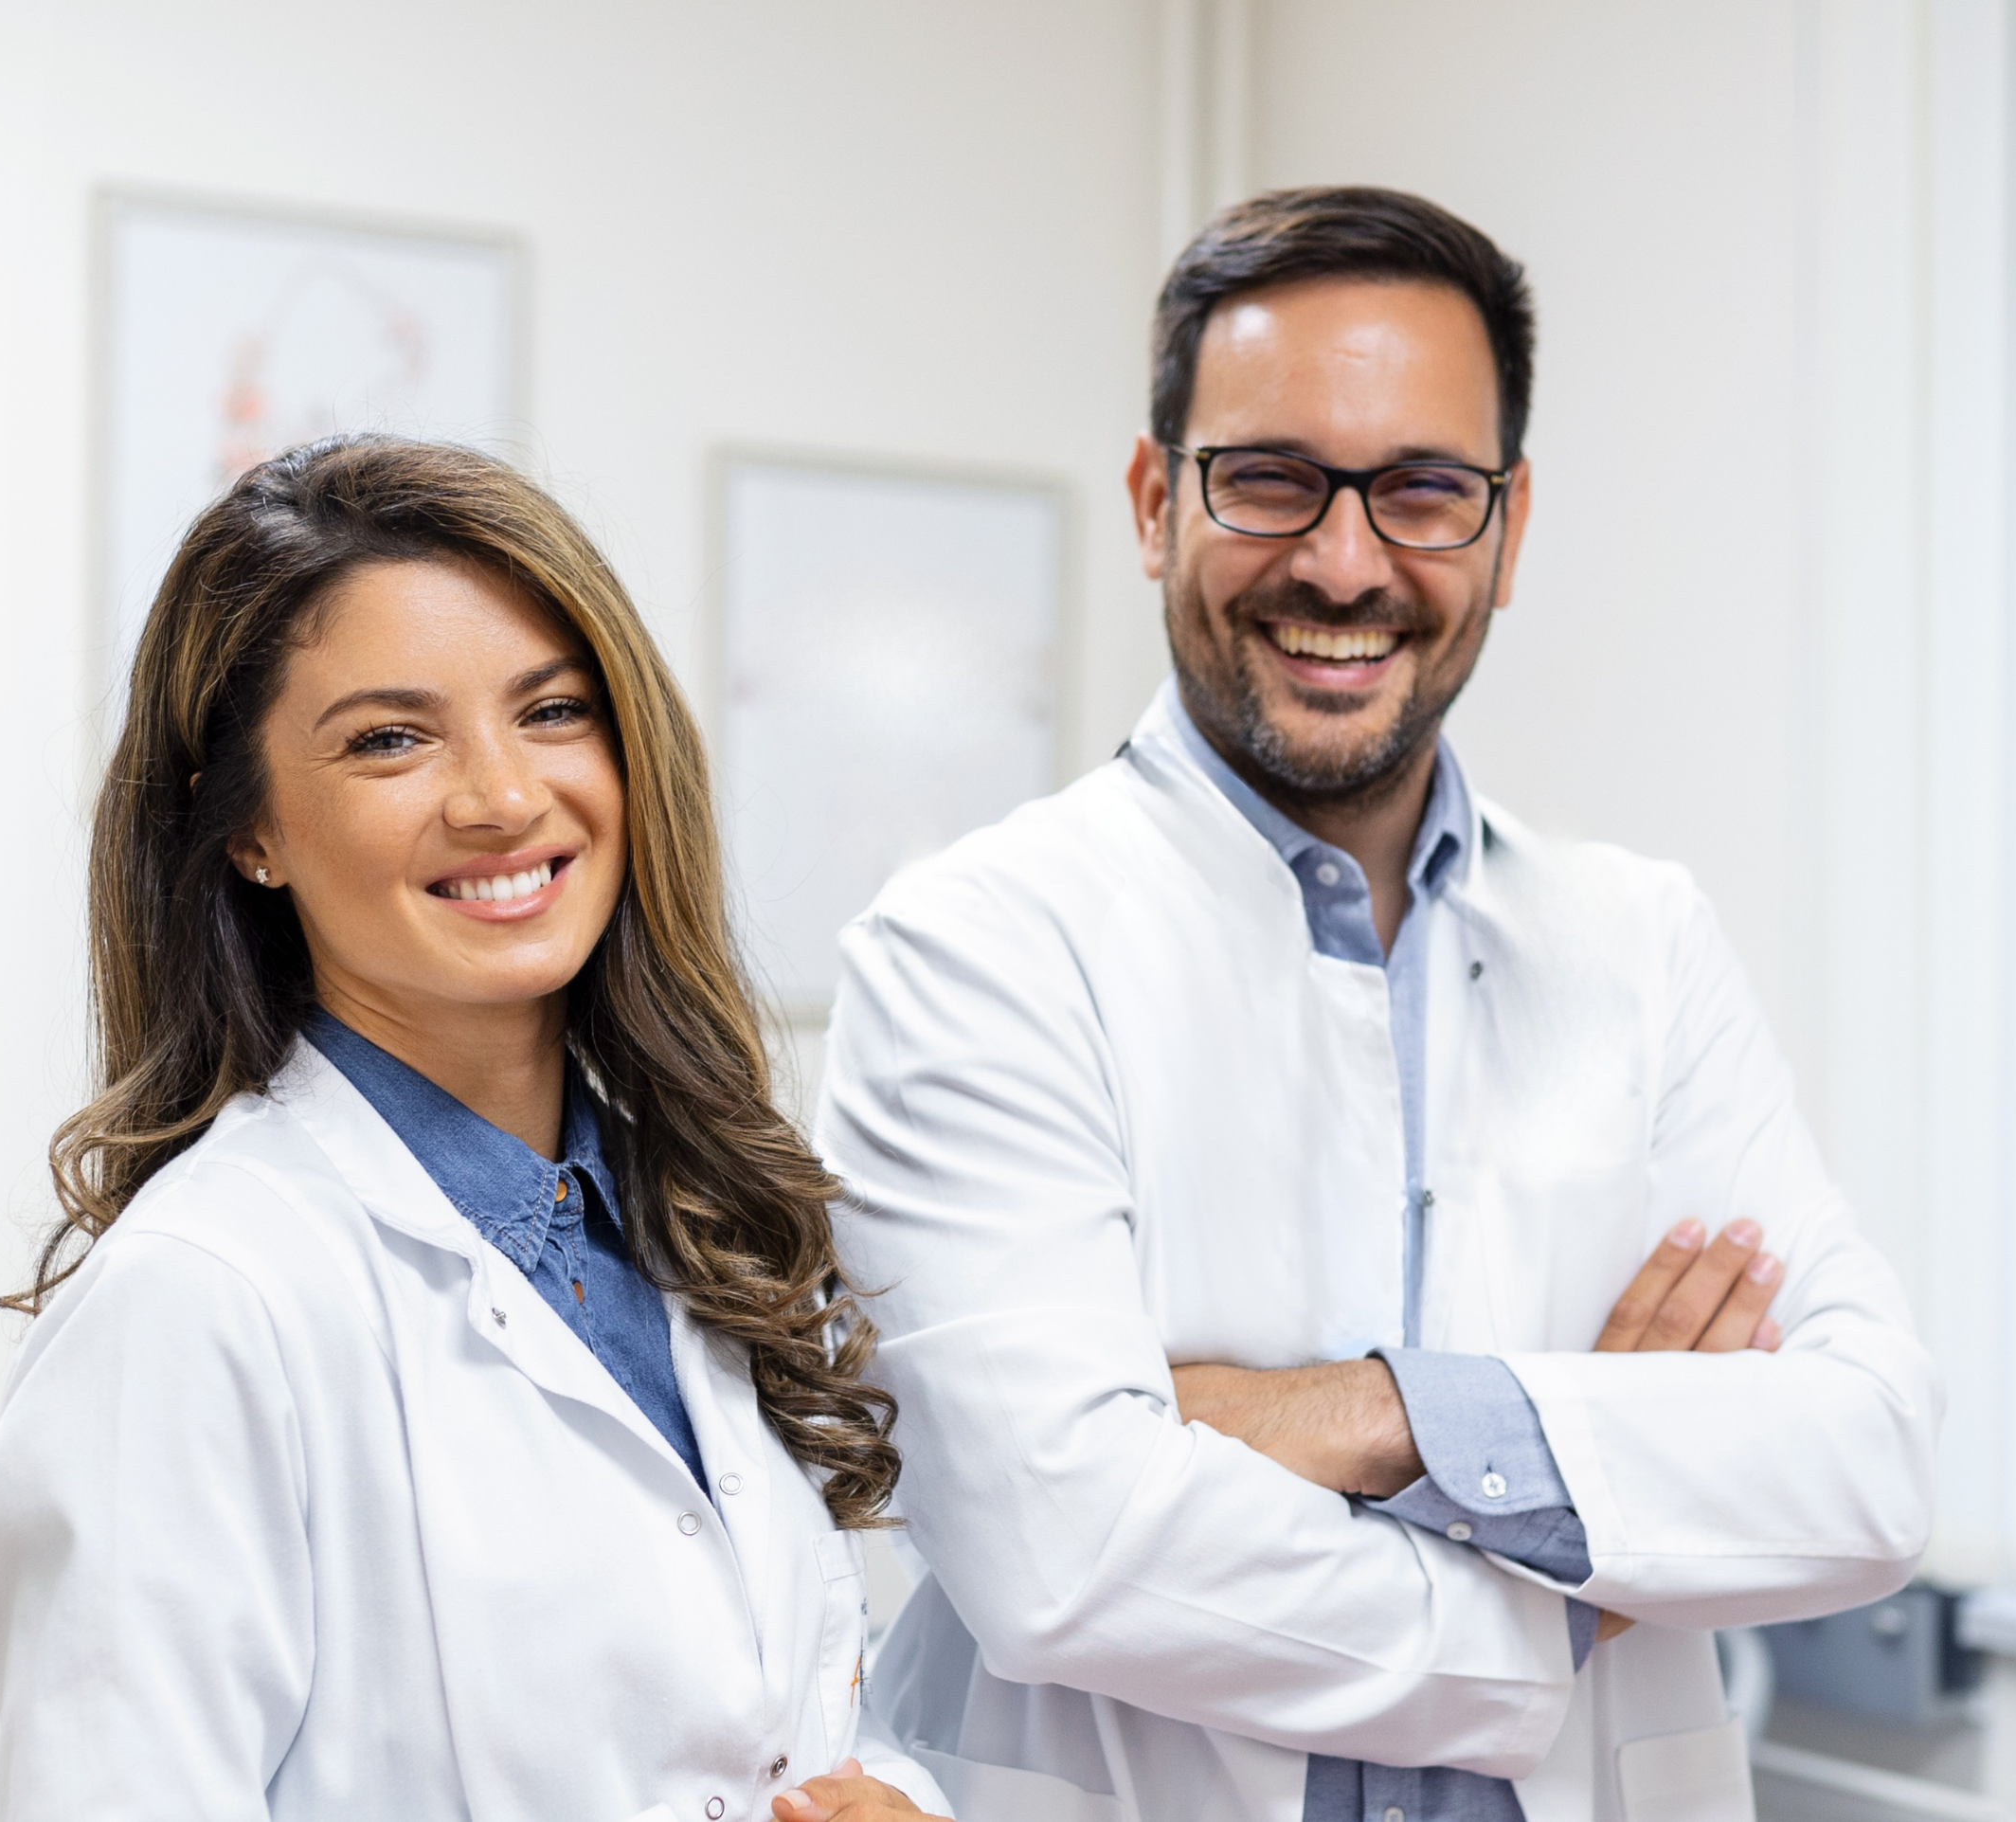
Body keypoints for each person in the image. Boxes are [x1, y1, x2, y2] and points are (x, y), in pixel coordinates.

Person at [814, 186, 1934, 1822]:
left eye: (1423, 490)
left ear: (1509, 528)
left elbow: (1872, 1456)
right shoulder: (973, 949)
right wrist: (1600, 1526)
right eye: (1272, 478)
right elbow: (1068, 1550)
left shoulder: (1644, 944)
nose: (1345, 565)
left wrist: (1374, 1414)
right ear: (1155, 503)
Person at [0, 435, 945, 1822]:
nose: (501, 797)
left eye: (552, 711)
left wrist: (898, 1802)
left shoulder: (686, 1223)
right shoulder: (198, 1300)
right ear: (247, 829)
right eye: (391, 738)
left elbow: (785, 1712)